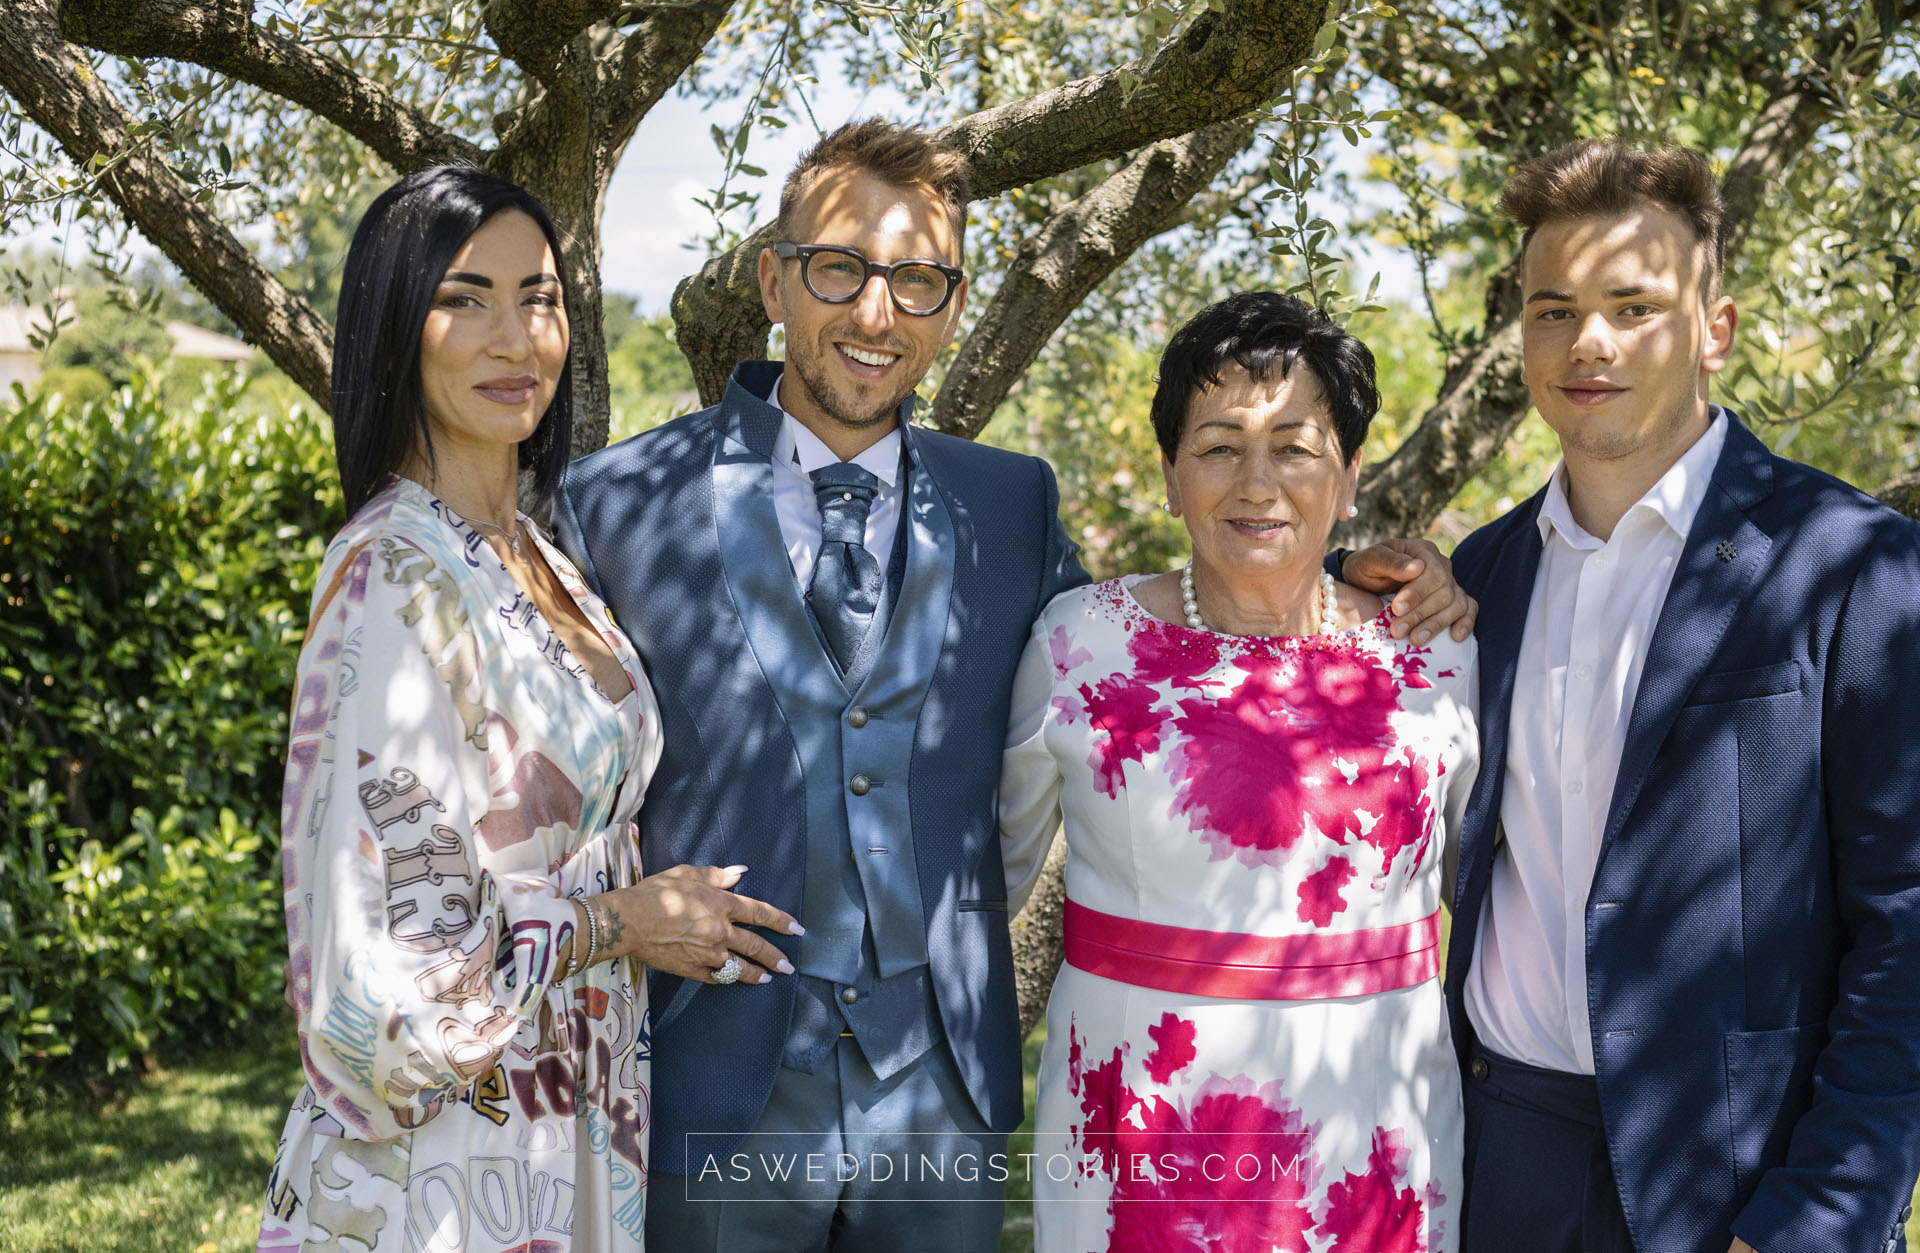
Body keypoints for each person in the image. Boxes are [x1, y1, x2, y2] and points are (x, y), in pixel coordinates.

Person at [550, 120, 1475, 1252]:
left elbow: (1178, 651)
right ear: (772, 280)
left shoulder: (1007, 504)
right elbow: (554, 778)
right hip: (715, 1075)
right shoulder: (615, 502)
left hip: (941, 1103)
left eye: (919, 279)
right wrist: (609, 921)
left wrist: (1334, 574)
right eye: (839, 267)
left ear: (953, 301)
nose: (876, 313)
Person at [1444, 138, 1920, 1253]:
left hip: (1740, 1180)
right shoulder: (1481, 576)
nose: (1585, 340)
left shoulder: (1860, 564)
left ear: (1714, 328)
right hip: (1499, 1164)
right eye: (1551, 308)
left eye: (1631, 305)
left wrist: (1814, 1218)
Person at [260, 165, 801, 1252]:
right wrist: (622, 923)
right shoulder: (389, 581)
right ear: (393, 328)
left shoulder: (541, 558)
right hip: (444, 1170)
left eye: (539, 298)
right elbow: (379, 1003)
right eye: (464, 298)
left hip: (573, 1138)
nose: (515, 337)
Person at [997, 291, 1478, 1252]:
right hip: (1139, 1120)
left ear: (1346, 478)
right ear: (1171, 476)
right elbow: (985, 877)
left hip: (1375, 1126)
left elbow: (1496, 888)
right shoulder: (1078, 642)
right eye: (1218, 446)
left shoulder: (1442, 648)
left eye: (1295, 447)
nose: (1257, 482)